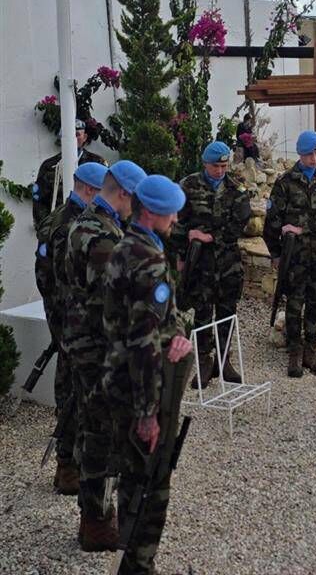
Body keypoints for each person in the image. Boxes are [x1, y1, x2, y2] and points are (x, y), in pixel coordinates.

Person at [103, 174, 192, 575]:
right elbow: (142, 342)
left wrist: (174, 333)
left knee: (133, 474)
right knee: (151, 484)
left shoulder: (126, 245)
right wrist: (148, 412)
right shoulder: (151, 262)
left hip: (119, 378)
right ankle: (139, 565)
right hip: (141, 387)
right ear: (154, 213)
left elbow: (144, 326)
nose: (175, 218)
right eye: (172, 211)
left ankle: (136, 559)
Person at [64, 160, 146, 551]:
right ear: (124, 194)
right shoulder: (97, 236)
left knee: (98, 427)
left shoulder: (104, 226)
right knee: (99, 431)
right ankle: (95, 520)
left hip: (97, 342)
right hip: (94, 348)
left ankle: (97, 512)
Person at [34, 161, 107, 494]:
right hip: (71, 321)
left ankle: (72, 461)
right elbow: (64, 279)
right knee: (72, 389)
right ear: (90, 190)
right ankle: (67, 465)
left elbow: (44, 277)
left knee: (74, 386)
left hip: (64, 317)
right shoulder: (71, 225)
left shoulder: (58, 217)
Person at [171, 141, 251, 389]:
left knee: (227, 312)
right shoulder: (188, 186)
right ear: (205, 163)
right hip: (200, 263)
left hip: (227, 263)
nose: (220, 170)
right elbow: (177, 222)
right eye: (216, 166)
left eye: (224, 165)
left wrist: (211, 236)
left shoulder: (236, 189)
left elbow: (240, 225)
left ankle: (224, 361)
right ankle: (204, 363)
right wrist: (182, 254)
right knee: (203, 314)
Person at [263, 130, 316, 378]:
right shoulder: (285, 182)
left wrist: (302, 227)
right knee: (295, 302)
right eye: (309, 155)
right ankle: (294, 349)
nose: (314, 159)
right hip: (294, 256)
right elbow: (272, 222)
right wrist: (275, 253)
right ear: (299, 154)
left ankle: (311, 349)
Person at [32, 118, 107, 232]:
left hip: (91, 229)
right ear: (61, 139)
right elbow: (40, 202)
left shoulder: (97, 163)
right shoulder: (50, 166)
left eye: (77, 134)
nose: (74, 139)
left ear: (85, 137)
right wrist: (46, 229)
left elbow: (106, 195)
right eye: (69, 135)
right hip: (58, 229)